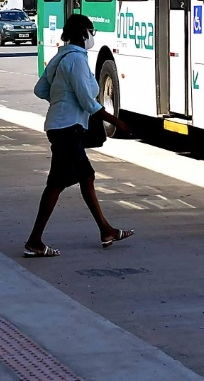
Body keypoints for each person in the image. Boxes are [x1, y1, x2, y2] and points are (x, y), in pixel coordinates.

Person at [23, 14, 133, 257]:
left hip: (59, 125)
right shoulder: (77, 60)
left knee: (86, 177)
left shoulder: (60, 56)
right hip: (68, 128)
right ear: (84, 33)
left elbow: (40, 89)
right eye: (91, 32)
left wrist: (61, 99)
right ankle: (34, 240)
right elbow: (87, 100)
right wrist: (117, 122)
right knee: (56, 184)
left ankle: (106, 230)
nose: (93, 37)